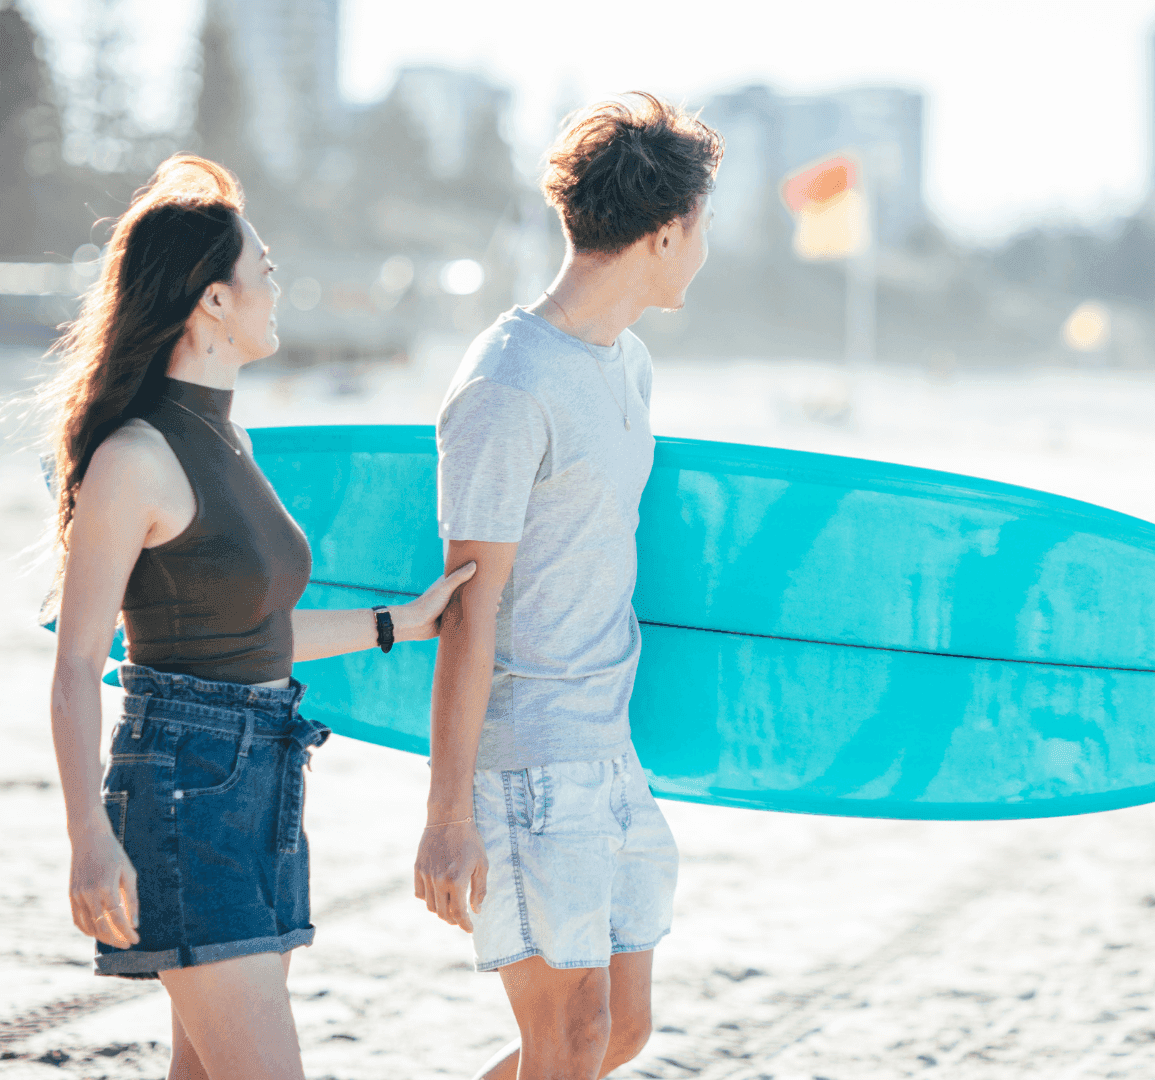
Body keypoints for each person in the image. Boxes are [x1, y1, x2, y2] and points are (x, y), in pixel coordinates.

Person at [43, 154, 474, 1079]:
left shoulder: (227, 439)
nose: (278, 287)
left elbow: (256, 635)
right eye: (263, 269)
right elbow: (81, 664)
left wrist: (404, 622)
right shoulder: (135, 457)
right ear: (211, 301)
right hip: (184, 786)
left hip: (264, 775)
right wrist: (88, 833)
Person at [413, 93, 722, 1080]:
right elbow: (468, 611)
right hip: (529, 764)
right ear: (668, 232)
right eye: (703, 228)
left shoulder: (625, 366)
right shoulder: (509, 383)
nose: (704, 250)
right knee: (568, 1041)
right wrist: (447, 818)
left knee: (616, 1035)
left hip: (610, 750)